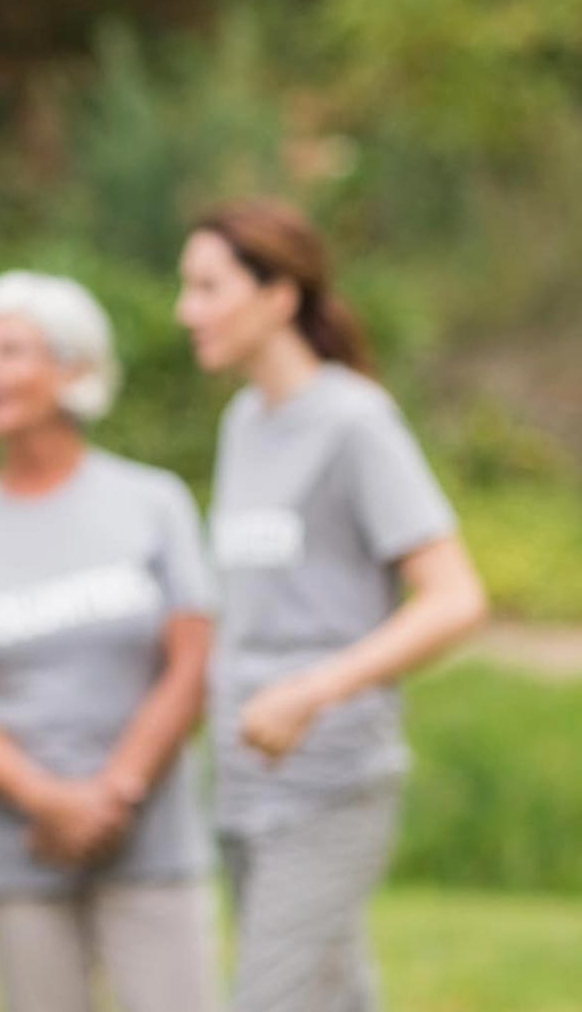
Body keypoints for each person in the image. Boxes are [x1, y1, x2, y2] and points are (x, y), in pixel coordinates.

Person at [176, 199, 488, 1012]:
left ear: (278, 296)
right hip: (244, 778)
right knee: (333, 998)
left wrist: (315, 690)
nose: (187, 310)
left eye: (208, 288)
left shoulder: (355, 421)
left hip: (332, 778)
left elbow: (455, 599)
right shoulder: (243, 421)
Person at [0, 271, 219, 1012]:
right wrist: (47, 801)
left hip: (152, 840)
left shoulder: (154, 503)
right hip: (20, 849)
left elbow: (192, 664)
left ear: (76, 369)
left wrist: (116, 792)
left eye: (13, 350)